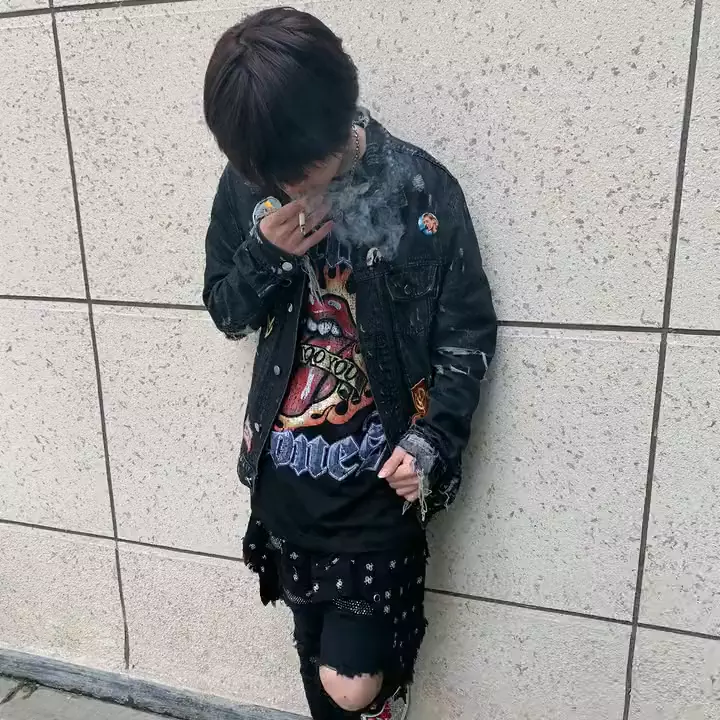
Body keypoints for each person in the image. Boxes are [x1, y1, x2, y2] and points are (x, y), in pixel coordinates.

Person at [202, 8, 497, 719]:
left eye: (299, 172)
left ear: (337, 123)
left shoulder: (421, 190)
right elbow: (226, 312)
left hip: (378, 490)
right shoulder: (248, 185)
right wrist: (266, 253)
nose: (287, 188)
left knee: (352, 681)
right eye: (269, 175)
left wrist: (432, 440)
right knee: (313, 651)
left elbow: (467, 334)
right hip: (283, 481)